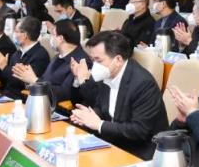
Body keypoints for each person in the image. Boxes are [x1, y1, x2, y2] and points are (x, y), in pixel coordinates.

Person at [68, 31, 168, 159]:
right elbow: (102, 107)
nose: (95, 66)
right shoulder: (107, 73)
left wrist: (99, 124)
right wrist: (88, 116)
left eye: (98, 60)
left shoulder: (143, 84)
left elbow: (139, 130)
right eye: (93, 60)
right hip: (114, 141)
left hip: (139, 150)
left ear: (118, 60)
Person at [13, 19, 90, 104]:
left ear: (60, 38)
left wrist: (35, 81)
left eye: (52, 35)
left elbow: (65, 93)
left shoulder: (80, 62)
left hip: (60, 108)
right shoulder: (57, 57)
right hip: (43, 102)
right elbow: (45, 79)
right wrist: (28, 78)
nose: (50, 38)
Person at [0, 16, 50, 100]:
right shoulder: (17, 53)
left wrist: (4, 67)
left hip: (21, 98)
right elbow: (7, 78)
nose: (14, 34)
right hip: (6, 94)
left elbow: (22, 83)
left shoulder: (40, 55)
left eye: (16, 31)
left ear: (25, 35)